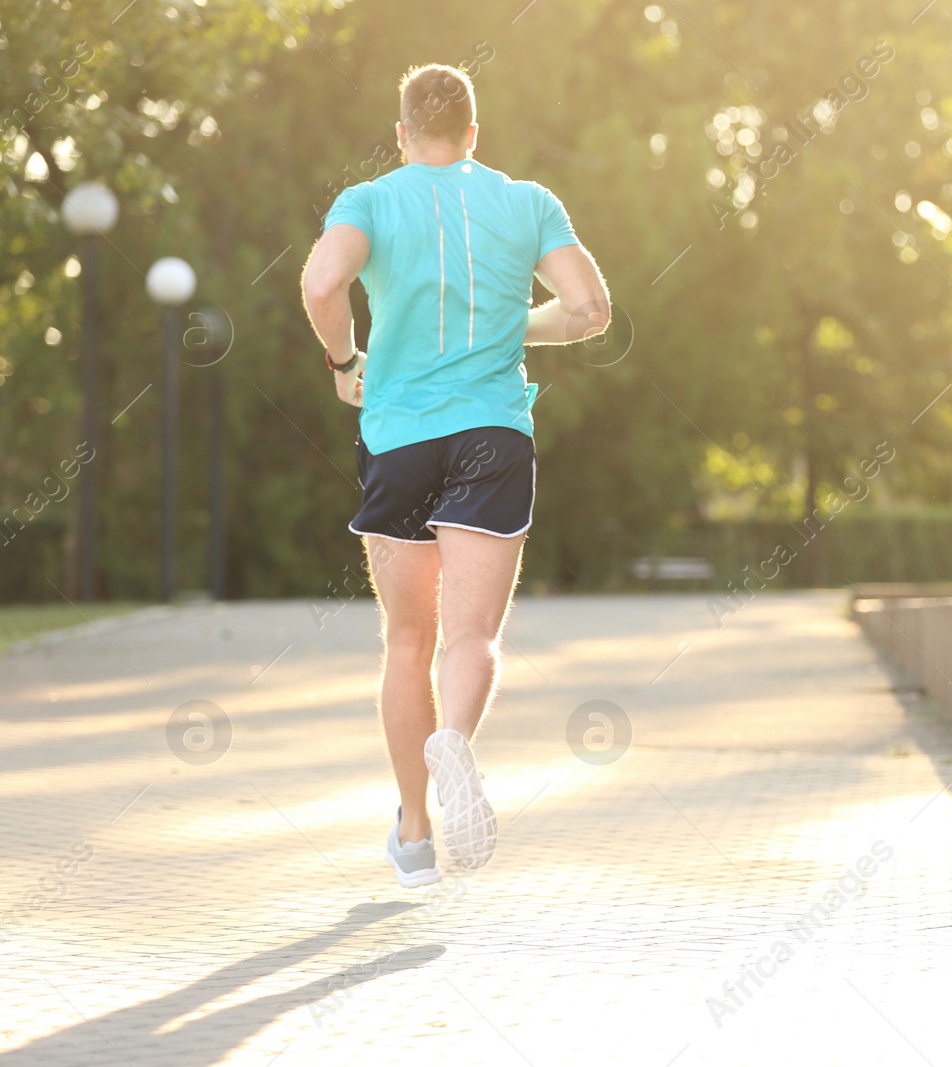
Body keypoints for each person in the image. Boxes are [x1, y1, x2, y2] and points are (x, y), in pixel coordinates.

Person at [300, 62, 609, 887]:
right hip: (492, 436)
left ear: (402, 134)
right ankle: (456, 745)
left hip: (399, 438)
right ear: (475, 134)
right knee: (472, 637)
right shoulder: (527, 202)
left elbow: (324, 281)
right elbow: (589, 308)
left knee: (407, 640)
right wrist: (516, 329)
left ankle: (412, 833)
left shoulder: (369, 200)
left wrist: (343, 359)